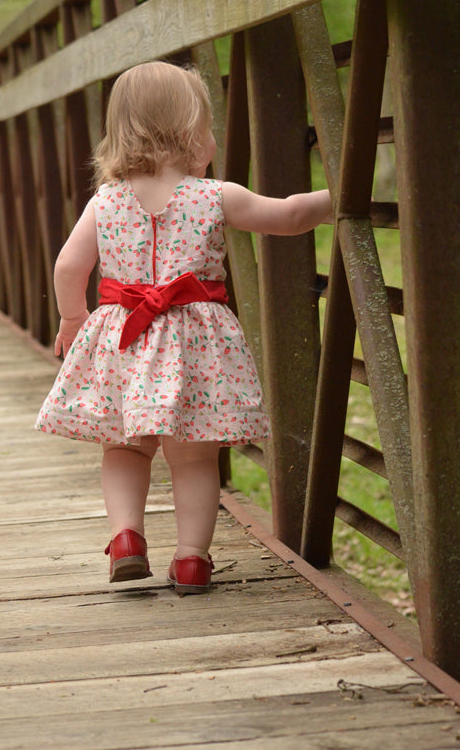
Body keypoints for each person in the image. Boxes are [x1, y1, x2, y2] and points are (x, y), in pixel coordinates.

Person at [36, 61, 331, 595]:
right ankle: (192, 560)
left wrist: (74, 319)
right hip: (198, 345)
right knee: (195, 455)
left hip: (123, 340)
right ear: (192, 130)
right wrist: (342, 196)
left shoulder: (105, 201)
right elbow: (288, 217)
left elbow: (67, 268)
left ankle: (126, 538)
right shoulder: (215, 196)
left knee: (125, 448)